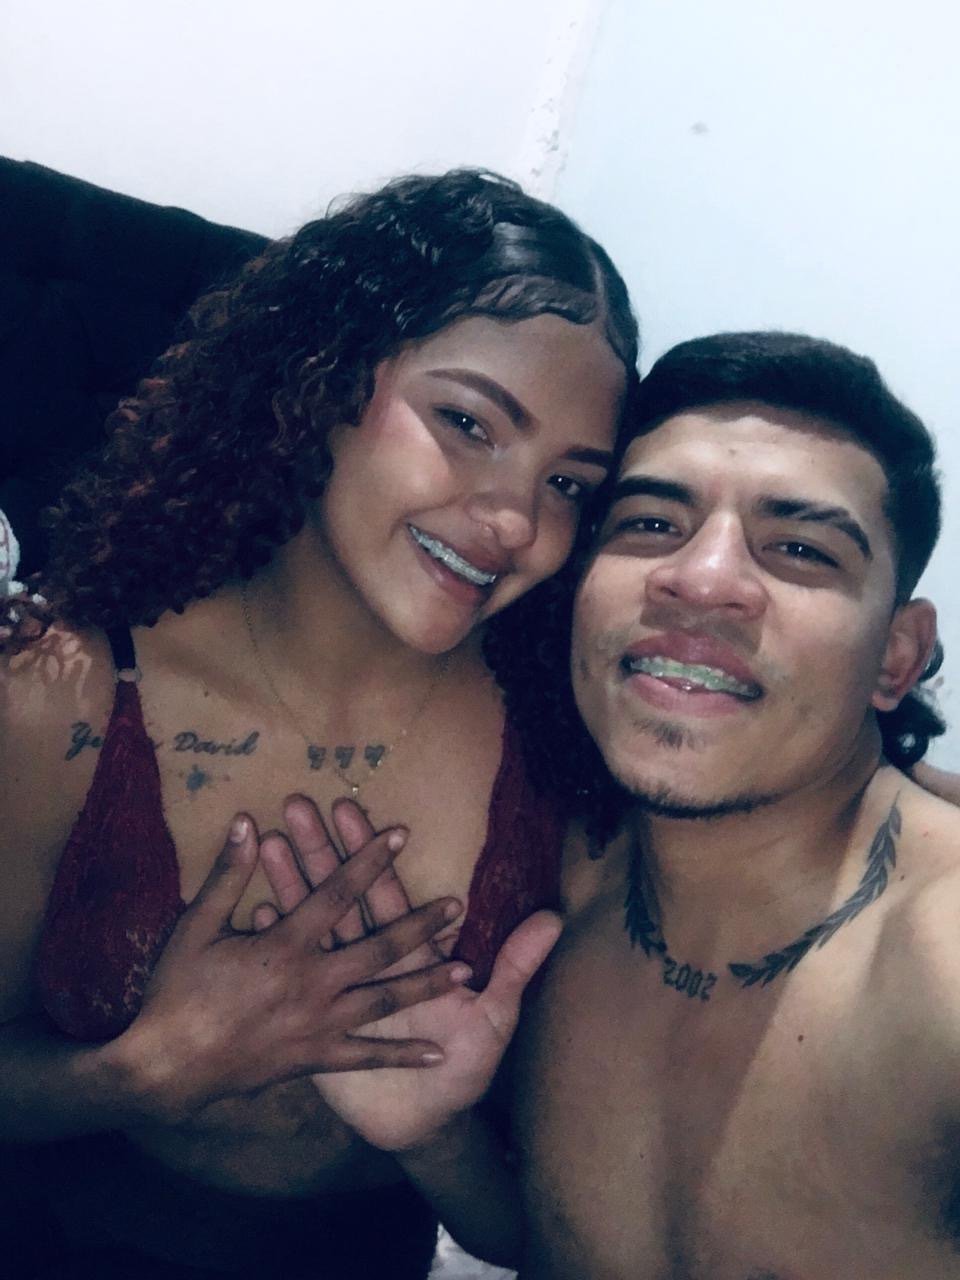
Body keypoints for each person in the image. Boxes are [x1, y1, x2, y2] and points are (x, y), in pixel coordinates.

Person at [0, 169, 636, 1278]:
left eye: (570, 484)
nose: (513, 520)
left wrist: (435, 1136)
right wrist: (143, 1071)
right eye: (468, 422)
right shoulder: (71, 689)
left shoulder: (564, 748)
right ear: (329, 385)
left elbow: (530, 1237)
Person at [290, 330, 959, 1278]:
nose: (701, 580)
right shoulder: (560, 889)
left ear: (895, 657)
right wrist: (435, 1137)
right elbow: (552, 1242)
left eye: (800, 548)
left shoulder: (939, 966)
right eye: (649, 524)